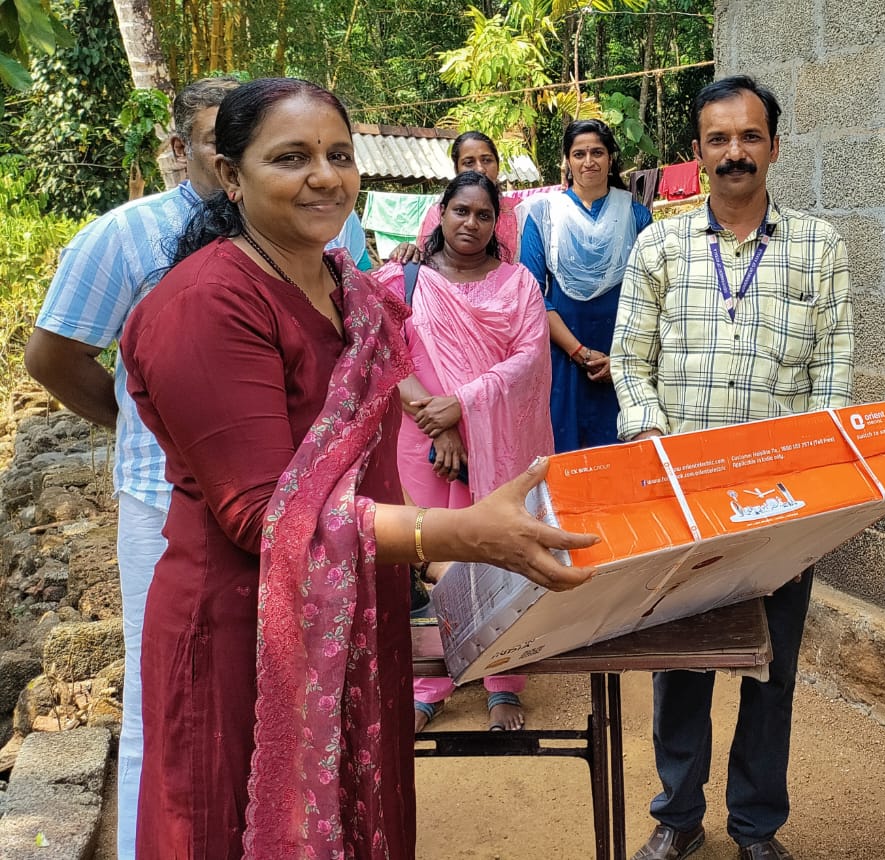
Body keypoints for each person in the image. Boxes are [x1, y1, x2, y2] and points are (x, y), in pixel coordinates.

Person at [118, 77, 595, 859]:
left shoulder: (354, 295)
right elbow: (265, 514)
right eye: (291, 156)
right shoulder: (207, 304)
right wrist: (462, 534)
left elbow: (364, 464)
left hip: (356, 615)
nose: (325, 175)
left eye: (338, 155)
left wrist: (440, 561)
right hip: (247, 629)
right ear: (231, 175)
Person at [612, 76, 855, 860]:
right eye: (718, 140)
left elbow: (833, 375)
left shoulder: (819, 247)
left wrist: (814, 491)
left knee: (768, 671)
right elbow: (629, 361)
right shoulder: (659, 245)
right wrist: (655, 444)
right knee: (678, 665)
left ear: (774, 148)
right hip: (682, 500)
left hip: (781, 508)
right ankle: (677, 817)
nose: (734, 153)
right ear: (697, 153)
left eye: (750, 137)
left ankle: (756, 828)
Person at [22, 76, 240, 860]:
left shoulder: (310, 230)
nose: (237, 152)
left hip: (279, 501)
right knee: (162, 695)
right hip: (161, 496)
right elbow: (54, 357)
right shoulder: (122, 238)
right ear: (181, 150)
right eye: (221, 137)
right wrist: (133, 423)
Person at [371, 171, 554, 732]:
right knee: (428, 556)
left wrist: (466, 407)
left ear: (495, 223)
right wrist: (440, 422)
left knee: (502, 554)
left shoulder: (518, 284)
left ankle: (504, 681)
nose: (469, 223)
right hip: (420, 438)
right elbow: (385, 355)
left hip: (502, 443)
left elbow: (527, 359)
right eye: (460, 212)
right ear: (441, 214)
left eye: (482, 215)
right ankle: (430, 680)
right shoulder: (401, 283)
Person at [520, 118, 652, 452]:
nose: (589, 161)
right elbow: (532, 294)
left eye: (597, 152)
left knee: (625, 453)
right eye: (579, 154)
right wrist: (578, 352)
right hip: (563, 354)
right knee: (567, 455)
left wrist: (618, 359)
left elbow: (654, 294)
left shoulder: (637, 216)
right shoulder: (543, 216)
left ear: (611, 158)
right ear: (567, 161)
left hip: (624, 352)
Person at [387, 131, 520, 264]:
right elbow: (424, 258)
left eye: (486, 160)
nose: (480, 169)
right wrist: (409, 252)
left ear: (498, 166)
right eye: (469, 162)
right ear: (457, 170)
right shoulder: (438, 212)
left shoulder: (519, 212)